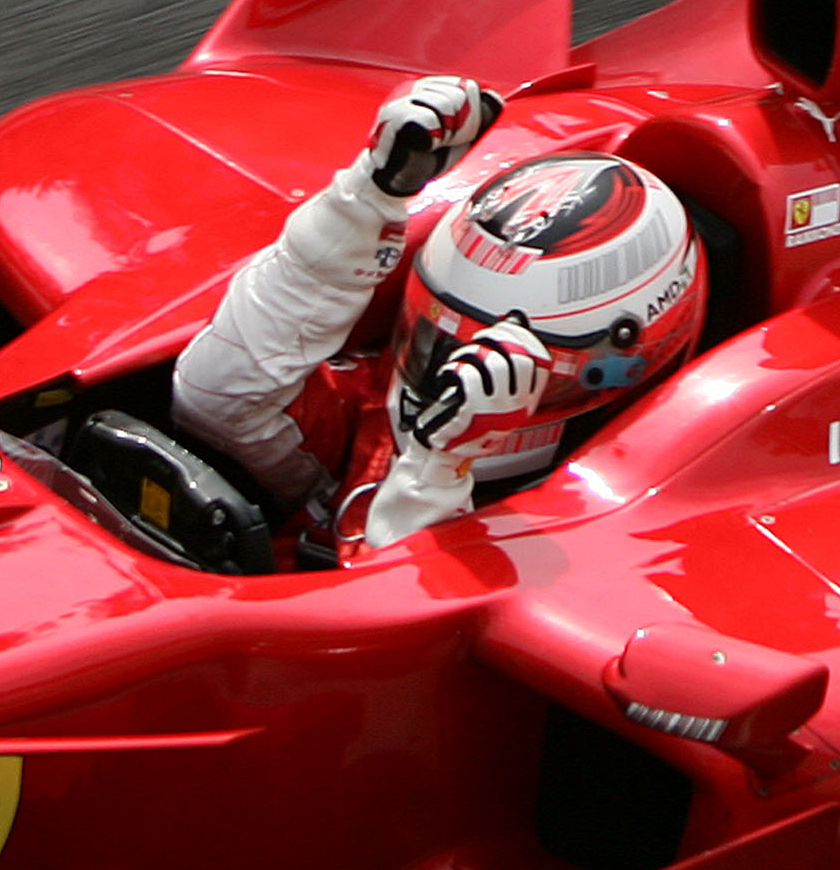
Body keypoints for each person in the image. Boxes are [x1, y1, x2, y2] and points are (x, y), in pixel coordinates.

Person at [168, 75, 708, 552]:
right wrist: (364, 198)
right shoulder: (377, 410)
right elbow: (218, 398)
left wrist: (437, 473)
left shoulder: (629, 530)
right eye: (432, 338)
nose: (442, 381)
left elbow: (386, 601)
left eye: (486, 364)